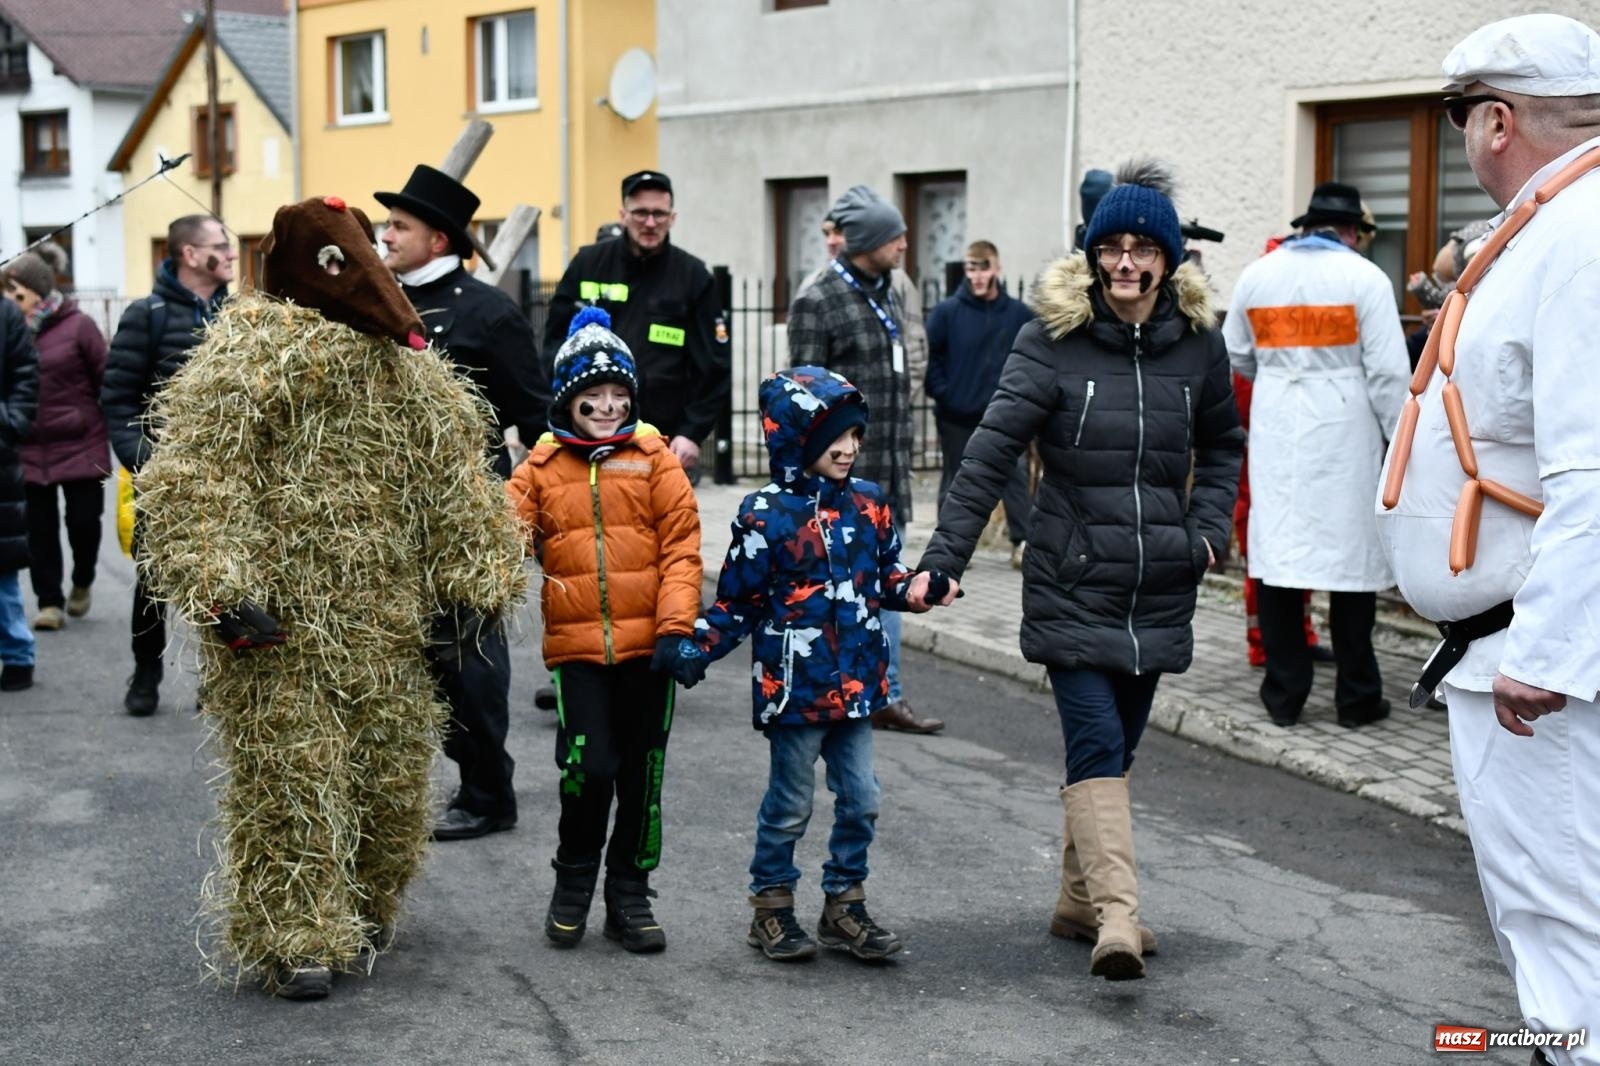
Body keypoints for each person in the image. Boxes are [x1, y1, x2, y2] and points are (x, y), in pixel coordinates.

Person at [136, 194, 525, 1000]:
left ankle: (367, 899)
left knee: (390, 776)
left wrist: (475, 579)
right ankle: (297, 931)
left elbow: (455, 480)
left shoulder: (408, 372)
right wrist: (219, 585)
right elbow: (197, 478)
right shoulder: (248, 363)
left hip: (386, 622)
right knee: (294, 780)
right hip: (280, 628)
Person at [915, 160, 1243, 981]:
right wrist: (944, 558)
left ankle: (1074, 901)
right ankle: (1119, 919)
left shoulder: (1199, 347)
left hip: (1158, 583)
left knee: (1115, 751)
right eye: (1112, 248)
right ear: (1093, 255)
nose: (1126, 263)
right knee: (1096, 740)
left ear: (1167, 260)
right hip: (1071, 577)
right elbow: (990, 451)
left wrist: (1208, 532)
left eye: (1143, 249)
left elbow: (1223, 446)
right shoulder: (1049, 341)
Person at [1376, 16, 1600, 1064]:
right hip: (1518, 648)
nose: (1461, 134)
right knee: (1550, 911)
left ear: (1498, 120)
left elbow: (1593, 470)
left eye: (1460, 114)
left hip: (1543, 667)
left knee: (1562, 913)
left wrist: (1544, 654)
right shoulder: (1556, 222)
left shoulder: (1579, 234)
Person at [667, 366, 925, 963]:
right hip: (795, 692)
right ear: (797, 439)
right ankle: (772, 907)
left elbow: (887, 575)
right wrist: (696, 647)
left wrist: (917, 587)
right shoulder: (765, 513)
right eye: (835, 437)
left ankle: (844, 904)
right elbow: (738, 602)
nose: (849, 447)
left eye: (855, 435)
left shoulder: (869, 503)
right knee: (790, 805)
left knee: (863, 799)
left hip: (857, 689)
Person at [506, 307, 700, 954]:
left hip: (651, 651)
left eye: (620, 394)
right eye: (594, 395)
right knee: (588, 770)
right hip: (578, 652)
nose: (609, 407)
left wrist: (676, 629)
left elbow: (682, 550)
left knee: (642, 777)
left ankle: (629, 893)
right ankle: (574, 877)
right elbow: (498, 537)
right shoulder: (540, 467)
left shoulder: (654, 459)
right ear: (569, 398)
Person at [376, 164, 549, 842]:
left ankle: (487, 792)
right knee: (408, 659)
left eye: (399, 225)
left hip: (463, 517)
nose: (386, 235)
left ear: (439, 239)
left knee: (466, 660)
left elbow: (536, 419)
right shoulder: (375, 303)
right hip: (387, 513)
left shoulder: (489, 313)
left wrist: (529, 509)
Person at [1223, 180, 1409, 729]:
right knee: (1352, 568)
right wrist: (1401, 442)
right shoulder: (1365, 279)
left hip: (1279, 427)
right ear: (1352, 230)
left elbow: (1235, 352)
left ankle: (1285, 695)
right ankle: (1357, 696)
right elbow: (1389, 374)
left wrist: (1279, 376)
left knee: (1279, 560)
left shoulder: (1258, 276)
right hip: (1345, 429)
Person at [787, 185, 942, 735]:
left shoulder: (890, 294)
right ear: (868, 241)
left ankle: (883, 694)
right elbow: (802, 400)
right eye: (894, 236)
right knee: (838, 593)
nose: (903, 244)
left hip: (889, 476)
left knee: (887, 583)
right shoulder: (818, 300)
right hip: (843, 482)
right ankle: (841, 692)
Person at [101, 214, 235, 716]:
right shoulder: (147, 315)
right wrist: (150, 465)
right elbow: (118, 401)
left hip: (230, 481)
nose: (231, 253)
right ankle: (146, 674)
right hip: (165, 482)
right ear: (190, 254)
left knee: (228, 582)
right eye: (220, 245)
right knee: (154, 584)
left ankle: (219, 680)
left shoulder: (239, 317)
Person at [542, 170, 730, 485]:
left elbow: (714, 367)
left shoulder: (693, 277)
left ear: (672, 218)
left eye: (659, 214)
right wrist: (558, 415)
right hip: (585, 436)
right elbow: (553, 347)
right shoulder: (588, 264)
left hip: (661, 442)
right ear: (623, 215)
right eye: (641, 213)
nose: (650, 223)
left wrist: (691, 433)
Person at [4, 247, 108, 631]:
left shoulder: (79, 326)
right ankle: (49, 602)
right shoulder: (8, 329)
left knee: (84, 523)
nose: (7, 296)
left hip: (81, 442)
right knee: (38, 531)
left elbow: (106, 379)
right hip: (28, 446)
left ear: (36, 289)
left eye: (14, 288)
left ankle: (83, 578)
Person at [924, 240, 1036, 568]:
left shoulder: (1018, 314)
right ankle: (949, 549)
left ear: (996, 269)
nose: (977, 276)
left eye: (983, 268)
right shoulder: (946, 313)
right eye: (971, 268)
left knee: (1014, 477)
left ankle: (1023, 544)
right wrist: (946, 394)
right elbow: (930, 359)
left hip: (1006, 417)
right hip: (956, 416)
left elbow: (1034, 360)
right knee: (956, 478)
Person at [0, 288, 38, 692]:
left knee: (2, 569)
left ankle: (16, 654)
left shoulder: (5, 315)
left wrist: (10, 424)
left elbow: (26, 374)